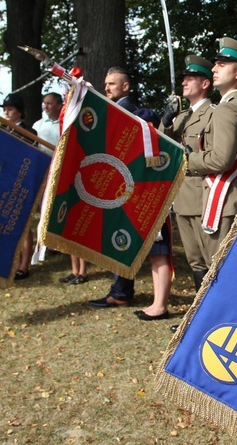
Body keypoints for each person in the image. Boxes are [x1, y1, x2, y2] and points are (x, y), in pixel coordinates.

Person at [88, 66, 171, 308]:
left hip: (138, 190)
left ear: (125, 86)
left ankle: (132, 295)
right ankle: (120, 290)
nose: (107, 88)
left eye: (111, 84)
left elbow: (147, 120)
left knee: (151, 246)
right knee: (120, 242)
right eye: (105, 85)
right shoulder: (110, 112)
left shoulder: (136, 114)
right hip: (116, 189)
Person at [185, 37, 237, 276]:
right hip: (232, 193)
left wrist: (189, 160)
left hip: (224, 198)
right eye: (215, 64)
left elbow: (222, 160)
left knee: (219, 272)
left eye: (222, 64)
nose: (214, 68)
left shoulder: (228, 107)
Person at [162, 55, 216, 292]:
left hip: (202, 195)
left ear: (205, 83)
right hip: (182, 196)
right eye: (183, 78)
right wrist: (165, 120)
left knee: (210, 258)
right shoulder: (182, 117)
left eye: (190, 78)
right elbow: (160, 146)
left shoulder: (214, 113)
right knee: (194, 260)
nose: (184, 82)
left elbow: (215, 154)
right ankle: (197, 319)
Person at [1, 93, 37, 280]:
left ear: (20, 112)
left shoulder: (29, 132)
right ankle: (10, 261)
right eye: (5, 109)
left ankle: (24, 264)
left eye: (11, 109)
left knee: (23, 224)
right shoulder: (1, 129)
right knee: (6, 223)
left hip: (22, 181)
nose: (7, 112)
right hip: (4, 180)